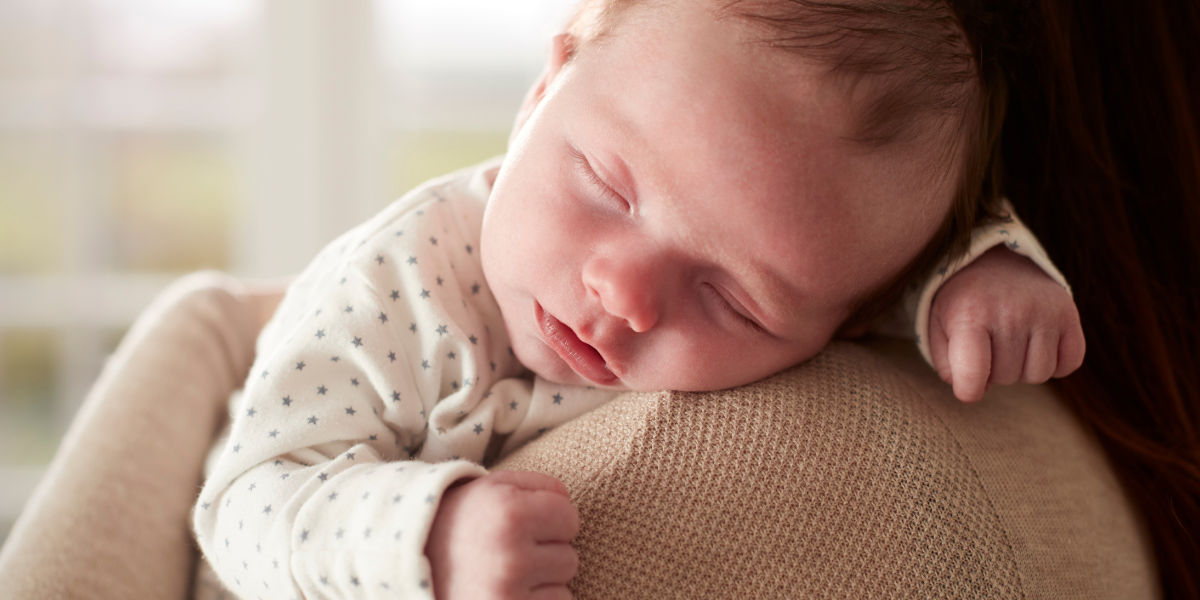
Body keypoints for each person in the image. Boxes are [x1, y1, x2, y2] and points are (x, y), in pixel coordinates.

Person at [192, 1, 1088, 598]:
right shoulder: (399, 287)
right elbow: (243, 505)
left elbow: (876, 280)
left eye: (730, 300)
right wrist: (420, 542)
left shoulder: (832, 271)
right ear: (544, 90)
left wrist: (978, 272)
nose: (624, 296)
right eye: (605, 188)